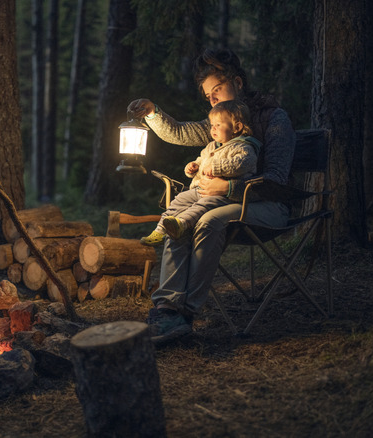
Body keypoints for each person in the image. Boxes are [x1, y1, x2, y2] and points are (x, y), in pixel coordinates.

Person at [127, 48, 296, 343]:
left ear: (238, 83)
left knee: (207, 220)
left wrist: (229, 188)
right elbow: (180, 132)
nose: (214, 100)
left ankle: (186, 314)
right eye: (209, 97)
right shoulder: (220, 123)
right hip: (224, 202)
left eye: (217, 90)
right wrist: (153, 113)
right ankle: (167, 308)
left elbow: (277, 181)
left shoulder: (273, 118)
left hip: (270, 207)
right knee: (180, 218)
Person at [140, 100, 262, 246]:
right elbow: (201, 160)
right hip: (201, 189)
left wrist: (216, 167)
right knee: (179, 199)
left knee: (203, 205)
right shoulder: (211, 146)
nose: (213, 129)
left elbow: (242, 163)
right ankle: (160, 231)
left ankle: (181, 224)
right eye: (212, 125)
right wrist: (194, 167)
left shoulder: (244, 147)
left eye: (218, 125)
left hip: (224, 195)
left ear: (237, 127)